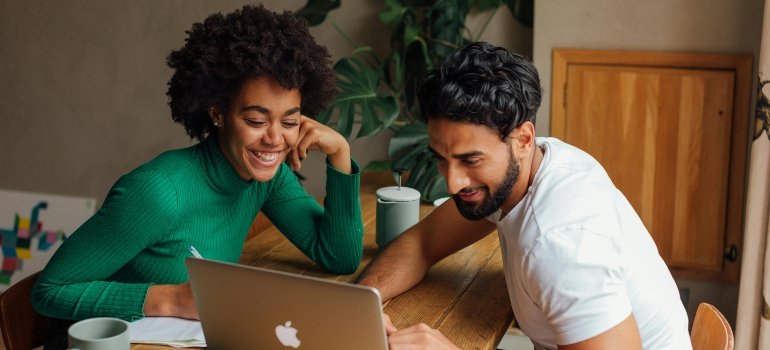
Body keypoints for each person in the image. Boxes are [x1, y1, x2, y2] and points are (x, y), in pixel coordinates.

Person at [32, 3, 363, 334]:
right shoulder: (157, 193)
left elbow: (339, 256)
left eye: (290, 120)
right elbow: (50, 291)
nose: (275, 139)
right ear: (217, 113)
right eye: (256, 120)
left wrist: (340, 154)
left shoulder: (267, 178)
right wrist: (171, 299)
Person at [357, 42, 691, 350]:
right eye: (441, 159)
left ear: (523, 138)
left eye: (470, 160)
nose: (453, 182)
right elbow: (423, 243)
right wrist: (360, 307)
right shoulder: (531, 164)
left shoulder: (560, 243)